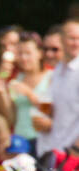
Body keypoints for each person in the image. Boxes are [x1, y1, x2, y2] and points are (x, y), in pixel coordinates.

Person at [37, 20, 79, 156]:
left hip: (72, 156)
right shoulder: (58, 70)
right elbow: (48, 103)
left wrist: (76, 150)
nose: (76, 43)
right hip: (51, 150)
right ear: (61, 39)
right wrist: (42, 116)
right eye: (72, 38)